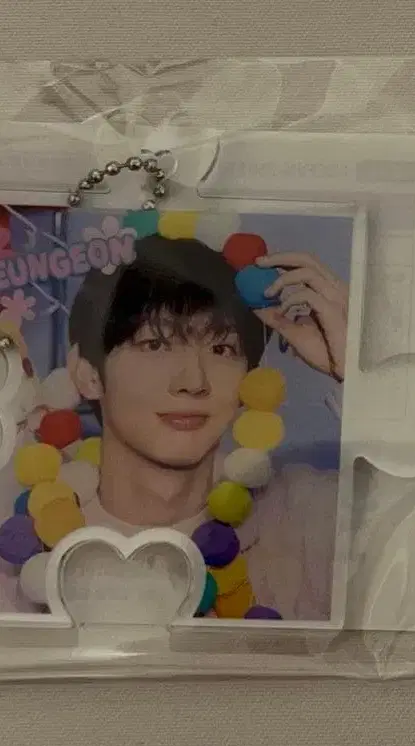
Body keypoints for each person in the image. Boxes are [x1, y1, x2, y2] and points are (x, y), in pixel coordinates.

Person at [13, 233, 348, 620]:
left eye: (221, 349)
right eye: (155, 344)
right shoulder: (24, 540)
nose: (193, 381)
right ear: (88, 374)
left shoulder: (307, 517)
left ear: (249, 380)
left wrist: (353, 371)